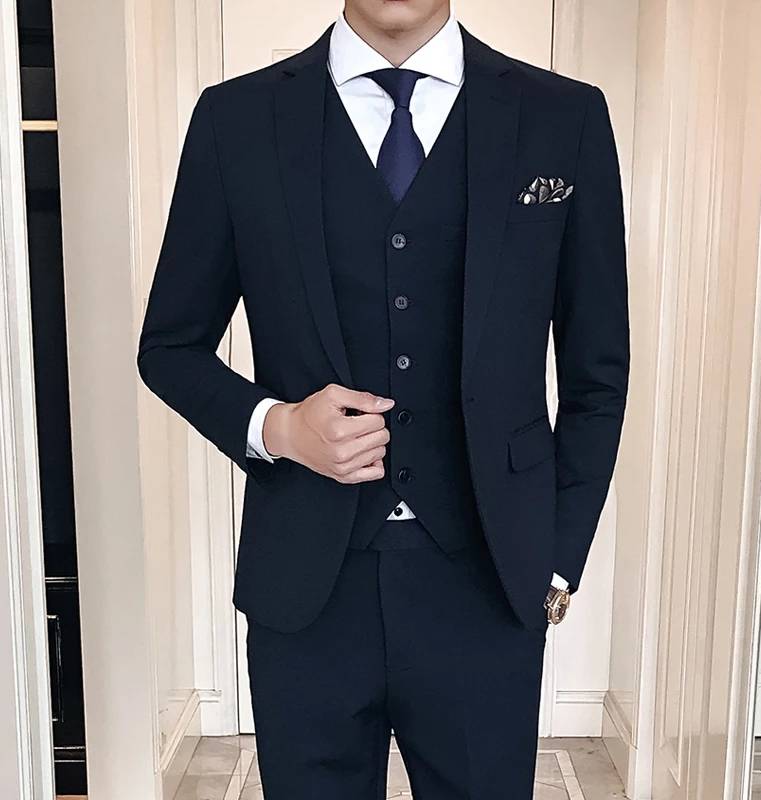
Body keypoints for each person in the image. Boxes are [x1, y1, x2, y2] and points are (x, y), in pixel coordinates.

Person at [137, 0, 629, 796]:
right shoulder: (237, 120)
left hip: (489, 582)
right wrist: (279, 427)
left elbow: (597, 371)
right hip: (307, 587)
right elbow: (169, 347)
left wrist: (557, 559)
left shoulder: (562, 117)